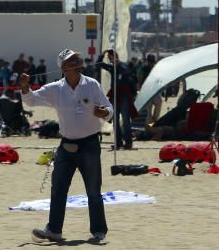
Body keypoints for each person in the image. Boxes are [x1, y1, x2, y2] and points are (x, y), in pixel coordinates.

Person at [20, 49, 112, 244]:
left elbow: (110, 109)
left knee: (93, 191)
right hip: (66, 146)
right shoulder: (55, 88)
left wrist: (103, 112)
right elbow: (31, 101)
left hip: (90, 144)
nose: (78, 62)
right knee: (58, 189)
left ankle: (99, 231)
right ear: (63, 68)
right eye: (72, 61)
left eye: (77, 59)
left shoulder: (92, 84)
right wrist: (25, 87)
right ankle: (54, 230)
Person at [97, 49, 137, 150]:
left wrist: (117, 65)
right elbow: (99, 64)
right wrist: (102, 54)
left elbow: (127, 75)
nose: (110, 58)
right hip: (115, 95)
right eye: (109, 57)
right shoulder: (111, 67)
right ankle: (118, 142)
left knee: (125, 119)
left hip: (124, 95)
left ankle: (128, 142)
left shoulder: (123, 66)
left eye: (111, 56)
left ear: (115, 56)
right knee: (115, 120)